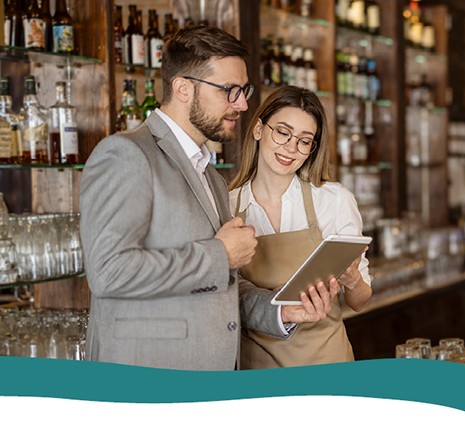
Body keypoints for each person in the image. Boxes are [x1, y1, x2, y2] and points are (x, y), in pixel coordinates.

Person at [79, 26, 337, 371]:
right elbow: (109, 272)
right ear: (183, 88)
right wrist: (220, 253)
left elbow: (223, 286)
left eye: (244, 91)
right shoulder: (126, 154)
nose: (243, 105)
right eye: (230, 91)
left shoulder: (212, 178)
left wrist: (283, 310)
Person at [229, 86, 373, 368]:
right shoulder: (227, 205)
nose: (291, 148)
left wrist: (353, 280)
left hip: (328, 367)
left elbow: (360, 301)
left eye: (304, 141)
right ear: (259, 129)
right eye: (282, 132)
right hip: (257, 370)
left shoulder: (333, 200)